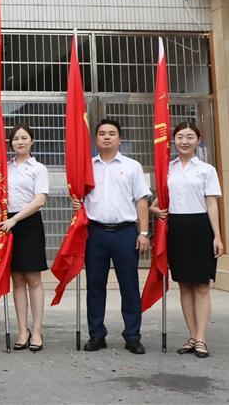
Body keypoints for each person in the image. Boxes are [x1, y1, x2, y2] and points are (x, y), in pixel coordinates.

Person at [73, 118, 151, 355]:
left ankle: (132, 336)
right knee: (95, 286)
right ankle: (97, 335)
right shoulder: (87, 167)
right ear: (96, 139)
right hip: (95, 233)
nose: (106, 137)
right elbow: (79, 197)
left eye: (112, 133)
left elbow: (141, 200)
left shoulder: (132, 166)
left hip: (125, 233)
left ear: (120, 139)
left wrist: (144, 232)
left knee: (129, 286)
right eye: (102, 133)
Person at [150, 122, 224, 359]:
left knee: (201, 286)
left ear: (198, 140)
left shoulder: (206, 170)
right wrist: (154, 211)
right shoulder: (167, 169)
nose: (184, 141)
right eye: (180, 136)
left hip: (201, 227)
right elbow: (157, 202)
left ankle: (201, 339)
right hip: (177, 228)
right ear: (173, 140)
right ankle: (191, 336)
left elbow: (212, 204)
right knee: (184, 285)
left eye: (190, 137)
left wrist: (217, 236)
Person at [1, 123, 49, 352]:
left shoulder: (38, 168)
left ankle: (37, 330)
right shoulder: (4, 167)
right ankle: (23, 330)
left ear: (32, 141)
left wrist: (15, 219)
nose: (19, 142)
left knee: (33, 279)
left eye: (24, 138)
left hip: (29, 224)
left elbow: (39, 200)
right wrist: (3, 214)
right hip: (7, 224)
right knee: (17, 280)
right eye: (15, 138)